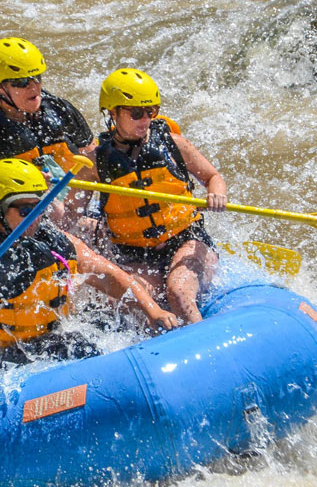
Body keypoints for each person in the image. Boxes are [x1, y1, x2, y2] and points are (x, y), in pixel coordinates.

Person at [0, 159, 179, 372]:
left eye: (39, 207)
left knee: (96, 341)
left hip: (40, 342)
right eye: (24, 211)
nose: (34, 217)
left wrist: (153, 310)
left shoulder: (54, 239)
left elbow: (108, 275)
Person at [91, 68, 226, 324]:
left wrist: (216, 194)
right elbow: (69, 210)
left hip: (186, 240)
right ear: (113, 112)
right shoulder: (96, 161)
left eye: (151, 111)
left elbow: (212, 177)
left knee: (178, 292)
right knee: (130, 302)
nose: (145, 119)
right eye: (136, 112)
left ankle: (203, 348)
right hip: (136, 253)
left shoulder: (174, 144)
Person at [0, 37, 97, 224]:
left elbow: (94, 162)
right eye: (22, 82)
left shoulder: (59, 109)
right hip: (25, 216)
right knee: (53, 209)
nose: (34, 87)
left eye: (36, 78)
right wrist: (22, 192)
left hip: (70, 211)